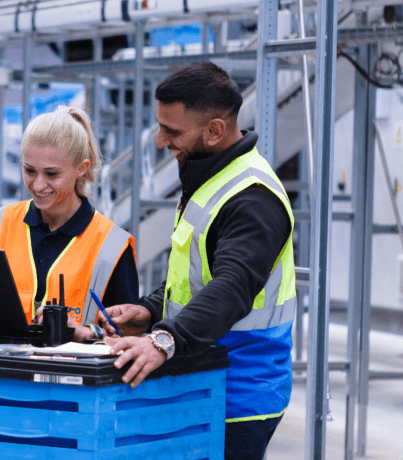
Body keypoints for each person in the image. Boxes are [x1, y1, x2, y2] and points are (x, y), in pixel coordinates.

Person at [100, 63, 296, 460]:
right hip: (206, 375)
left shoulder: (252, 197)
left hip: (240, 392)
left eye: (172, 132)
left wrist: (166, 338)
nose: (159, 141)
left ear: (215, 131)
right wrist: (149, 309)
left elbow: (233, 285)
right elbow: (195, 276)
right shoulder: (208, 179)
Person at [0, 105, 139, 341]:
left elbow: (127, 336)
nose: (38, 185)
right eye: (29, 170)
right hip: (2, 372)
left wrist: (85, 333)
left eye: (52, 174)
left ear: (81, 168)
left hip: (76, 375)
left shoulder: (113, 245)